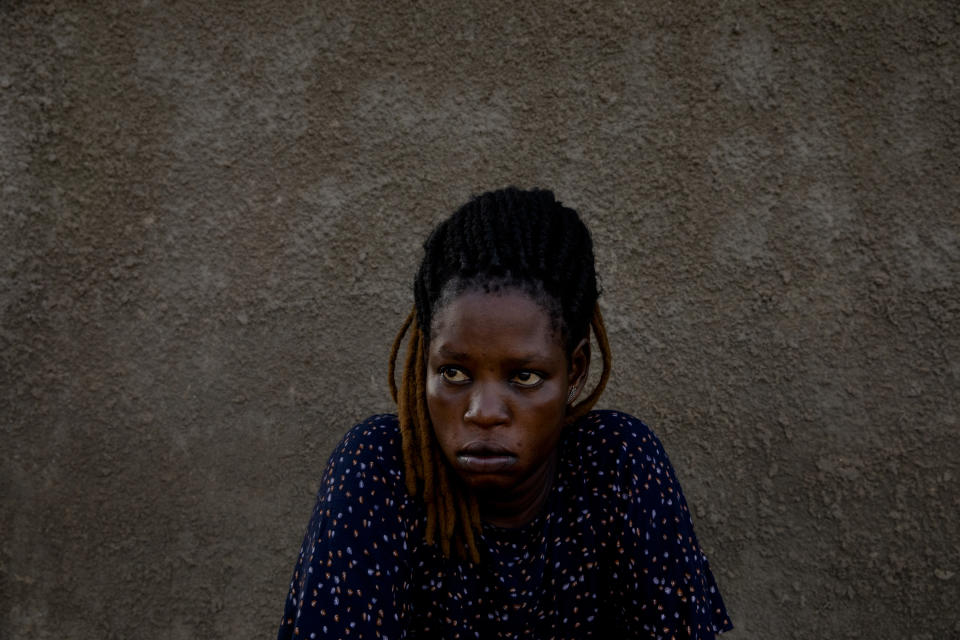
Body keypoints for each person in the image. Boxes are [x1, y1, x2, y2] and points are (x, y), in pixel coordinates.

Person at [277, 187, 732, 639]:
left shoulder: (616, 464)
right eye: (454, 373)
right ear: (425, 368)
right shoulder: (378, 469)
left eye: (525, 377)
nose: (483, 413)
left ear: (574, 370)